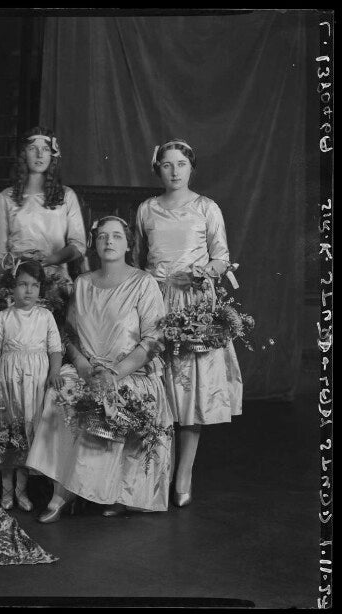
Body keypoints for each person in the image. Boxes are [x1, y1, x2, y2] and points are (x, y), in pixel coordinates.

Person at [27, 216, 172, 520]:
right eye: (103, 236)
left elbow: (154, 340)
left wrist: (115, 372)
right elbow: (68, 335)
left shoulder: (143, 283)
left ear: (128, 243)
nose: (109, 242)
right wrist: (81, 364)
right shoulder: (82, 283)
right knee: (61, 390)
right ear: (94, 243)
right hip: (88, 368)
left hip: (129, 372)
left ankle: (114, 490)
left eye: (117, 236)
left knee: (115, 397)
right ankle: (61, 492)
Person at [133, 139, 243, 507]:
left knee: (190, 386)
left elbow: (221, 257)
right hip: (155, 299)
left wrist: (201, 273)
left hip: (193, 301)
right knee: (157, 384)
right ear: (158, 168)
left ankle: (184, 472)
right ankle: (154, 469)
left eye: (181, 163)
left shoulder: (206, 207)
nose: (175, 171)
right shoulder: (146, 209)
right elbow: (137, 259)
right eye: (167, 164)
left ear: (191, 167)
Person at [0, 260, 63, 512]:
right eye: (22, 285)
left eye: (34, 286)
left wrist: (55, 372)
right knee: (10, 433)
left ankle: (22, 490)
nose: (28, 291)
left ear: (41, 289)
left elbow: (55, 349)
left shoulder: (46, 316)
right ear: (13, 287)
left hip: (36, 382)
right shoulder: (3, 317)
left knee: (28, 431)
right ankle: (7, 491)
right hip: (8, 380)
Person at [0, 127, 88, 285]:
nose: (39, 155)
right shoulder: (6, 197)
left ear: (52, 154)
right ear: (24, 153)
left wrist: (50, 260)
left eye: (45, 149)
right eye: (32, 149)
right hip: (18, 278)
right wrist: (2, 283)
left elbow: (78, 245)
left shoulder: (67, 195)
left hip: (55, 279)